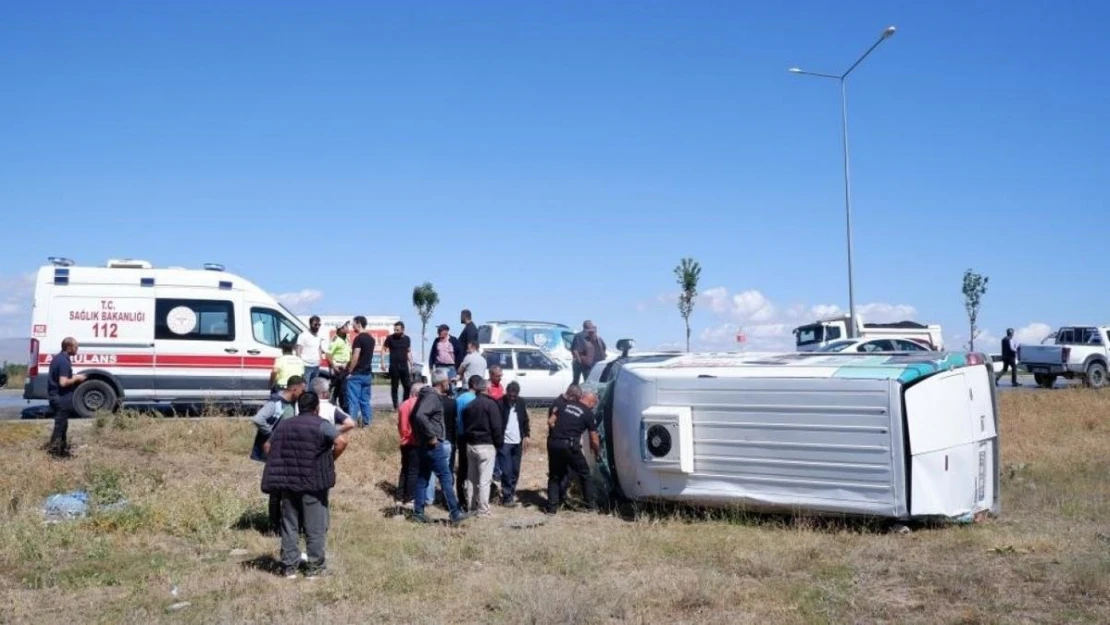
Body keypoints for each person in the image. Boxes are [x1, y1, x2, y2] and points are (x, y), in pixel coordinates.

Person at [261, 391, 349, 578]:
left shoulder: (284, 425)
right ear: (317, 408)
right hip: (313, 483)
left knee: (289, 525)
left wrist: (281, 462)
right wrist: (330, 459)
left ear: (299, 407)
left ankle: (289, 567)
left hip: (288, 482)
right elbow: (341, 441)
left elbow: (267, 446)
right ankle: (315, 568)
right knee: (314, 526)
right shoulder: (321, 425)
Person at [410, 370, 469, 525]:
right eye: (448, 382)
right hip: (432, 445)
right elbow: (419, 416)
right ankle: (455, 513)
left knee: (423, 477)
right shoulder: (432, 397)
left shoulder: (425, 396)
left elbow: (414, 416)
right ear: (443, 382)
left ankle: (418, 512)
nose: (449, 384)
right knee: (445, 477)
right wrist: (431, 436)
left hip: (424, 444)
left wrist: (420, 436)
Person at [251, 376, 307, 532]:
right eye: (302, 390)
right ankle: (273, 525)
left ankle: (287, 521)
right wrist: (271, 434)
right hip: (275, 451)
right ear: (294, 389)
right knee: (275, 489)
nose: (304, 393)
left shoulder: (294, 404)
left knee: (287, 488)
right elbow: (258, 419)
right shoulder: (275, 403)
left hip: (289, 451)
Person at [545, 388, 600, 515]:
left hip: (554, 443)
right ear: (591, 402)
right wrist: (596, 451)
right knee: (584, 473)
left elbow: (551, 421)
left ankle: (552, 509)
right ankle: (590, 506)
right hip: (570, 445)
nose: (593, 407)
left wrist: (560, 432)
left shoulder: (564, 404)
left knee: (554, 475)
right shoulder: (587, 413)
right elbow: (594, 437)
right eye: (594, 404)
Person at [463, 378, 503, 516]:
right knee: (484, 480)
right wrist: (498, 444)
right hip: (486, 444)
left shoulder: (469, 405)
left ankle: (471, 506)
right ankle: (483, 510)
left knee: (472, 478)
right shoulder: (491, 405)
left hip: (471, 444)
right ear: (487, 388)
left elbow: (464, 425)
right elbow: (497, 427)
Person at [46, 337, 86, 458]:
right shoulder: (64, 362)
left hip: (56, 397)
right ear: (68, 347)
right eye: (76, 347)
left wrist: (74, 376)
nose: (77, 350)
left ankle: (62, 451)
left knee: (63, 425)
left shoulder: (58, 358)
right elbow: (63, 382)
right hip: (60, 398)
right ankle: (54, 454)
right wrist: (76, 379)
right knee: (60, 426)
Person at [497, 381, 530, 506]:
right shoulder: (500, 403)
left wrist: (527, 435)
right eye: (510, 395)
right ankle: (507, 497)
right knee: (506, 470)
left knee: (515, 470)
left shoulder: (521, 402)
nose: (512, 397)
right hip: (504, 442)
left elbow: (525, 419)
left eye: (514, 396)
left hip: (517, 441)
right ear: (507, 392)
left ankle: (511, 492)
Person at [453, 375, 481, 509]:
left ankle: (461, 497)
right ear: (475, 385)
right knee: (474, 468)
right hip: (472, 436)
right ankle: (474, 498)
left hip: (460, 435)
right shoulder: (475, 400)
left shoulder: (459, 398)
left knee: (462, 467)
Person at [347, 315, 377, 427]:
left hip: (357, 374)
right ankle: (367, 423)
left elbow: (355, 356)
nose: (352, 326)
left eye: (353, 324)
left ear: (359, 324)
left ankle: (352, 424)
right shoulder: (371, 339)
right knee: (365, 401)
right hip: (367, 374)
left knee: (353, 401)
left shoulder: (358, 338)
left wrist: (350, 371)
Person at [381, 321, 414, 410]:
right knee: (394, 386)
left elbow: (408, 351)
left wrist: (412, 363)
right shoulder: (390, 338)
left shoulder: (407, 339)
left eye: (397, 330)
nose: (395, 331)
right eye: (394, 329)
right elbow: (383, 349)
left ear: (403, 330)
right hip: (394, 366)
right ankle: (395, 406)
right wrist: (382, 362)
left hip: (404, 366)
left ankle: (404, 405)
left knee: (407, 386)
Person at [570, 320, 607, 385]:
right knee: (588, 383)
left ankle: (574, 393)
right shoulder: (598, 338)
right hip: (592, 364)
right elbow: (604, 349)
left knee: (576, 382)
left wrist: (579, 361)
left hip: (583, 363)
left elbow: (574, 350)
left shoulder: (578, 335)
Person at [327, 323, 353, 413]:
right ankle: (344, 411)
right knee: (341, 390)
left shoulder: (346, 338)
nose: (348, 328)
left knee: (341, 391)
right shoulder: (335, 340)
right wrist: (334, 367)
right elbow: (328, 354)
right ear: (341, 329)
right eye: (346, 326)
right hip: (339, 368)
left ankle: (340, 410)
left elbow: (350, 352)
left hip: (346, 367)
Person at [297, 316, 327, 388]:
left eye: (319, 325)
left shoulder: (319, 336)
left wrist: (320, 359)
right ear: (310, 324)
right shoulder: (303, 335)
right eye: (315, 325)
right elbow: (298, 350)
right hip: (306, 365)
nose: (317, 327)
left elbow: (319, 348)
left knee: (314, 386)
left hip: (316, 365)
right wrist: (300, 362)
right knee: (305, 386)